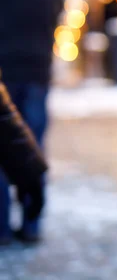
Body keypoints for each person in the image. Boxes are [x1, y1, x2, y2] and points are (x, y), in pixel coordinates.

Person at [0, 0, 63, 242]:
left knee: (1, 148)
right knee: (30, 149)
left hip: (3, 74)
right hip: (38, 74)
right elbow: (58, 19)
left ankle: (0, 228)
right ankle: (32, 223)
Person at [0, 76, 47, 245]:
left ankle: (2, 229)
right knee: (35, 137)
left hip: (14, 68)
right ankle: (30, 228)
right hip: (36, 70)